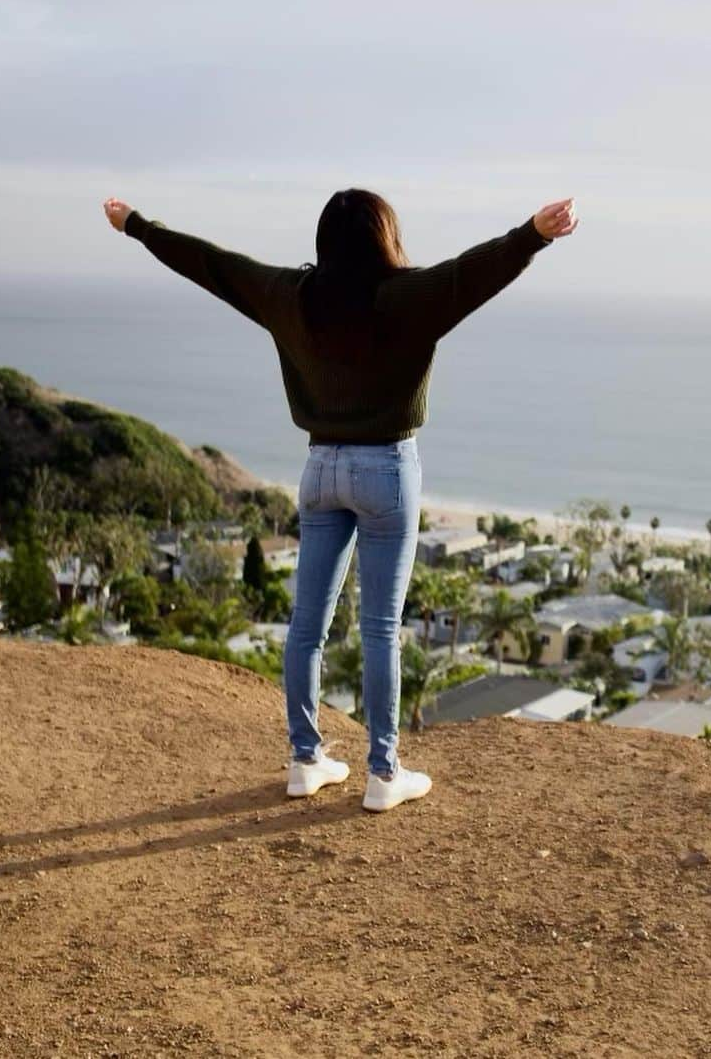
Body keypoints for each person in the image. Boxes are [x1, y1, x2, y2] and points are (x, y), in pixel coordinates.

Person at [103, 189, 578, 811]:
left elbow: (210, 263)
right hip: (386, 469)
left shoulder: (289, 295)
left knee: (307, 625)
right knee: (380, 627)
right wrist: (533, 234)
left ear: (326, 239)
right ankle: (384, 774)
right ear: (386, 236)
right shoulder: (411, 297)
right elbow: (473, 273)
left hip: (320, 468)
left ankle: (306, 761)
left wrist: (137, 225)